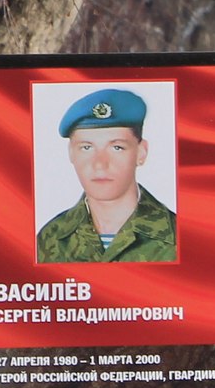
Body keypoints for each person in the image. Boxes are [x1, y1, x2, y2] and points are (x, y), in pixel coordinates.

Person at [37, 88, 177, 262]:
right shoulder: (51, 238)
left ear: (141, 153)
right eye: (86, 147)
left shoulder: (179, 237)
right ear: (71, 153)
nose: (100, 164)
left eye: (116, 147)